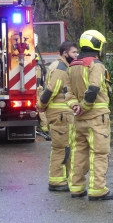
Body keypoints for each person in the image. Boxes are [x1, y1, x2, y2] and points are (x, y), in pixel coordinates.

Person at [67, 30, 113, 201]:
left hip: (79, 119)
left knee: (78, 152)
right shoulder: (96, 64)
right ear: (96, 44)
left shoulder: (73, 65)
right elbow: (94, 89)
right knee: (99, 153)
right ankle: (97, 189)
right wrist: (84, 107)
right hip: (96, 118)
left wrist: (75, 106)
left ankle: (76, 187)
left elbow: (67, 92)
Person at [37, 41, 79, 192]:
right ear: (65, 54)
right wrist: (41, 106)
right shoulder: (61, 68)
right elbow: (51, 90)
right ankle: (56, 181)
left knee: (66, 148)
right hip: (60, 115)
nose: (76, 55)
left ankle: (64, 179)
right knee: (61, 148)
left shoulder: (60, 66)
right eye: (74, 52)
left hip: (62, 114)